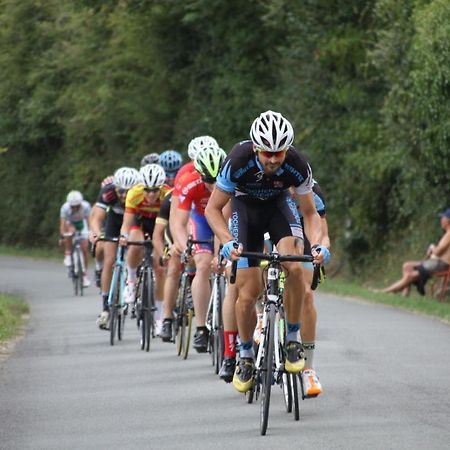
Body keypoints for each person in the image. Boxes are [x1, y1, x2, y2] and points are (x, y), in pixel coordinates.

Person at [205, 110, 329, 393]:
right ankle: (246, 355)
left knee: (294, 266)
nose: (273, 159)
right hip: (244, 210)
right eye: (267, 153)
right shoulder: (237, 160)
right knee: (247, 293)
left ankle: (293, 338)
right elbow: (212, 209)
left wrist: (318, 244)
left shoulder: (297, 164)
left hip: (278, 207)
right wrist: (226, 241)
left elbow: (311, 214)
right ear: (256, 148)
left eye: (279, 153)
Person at [171, 145, 227, 352]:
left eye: (217, 179)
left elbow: (230, 220)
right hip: (201, 220)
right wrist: (184, 245)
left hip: (223, 218)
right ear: (200, 175)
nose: (213, 186)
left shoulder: (231, 179)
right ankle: (201, 328)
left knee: (229, 264)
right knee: (203, 265)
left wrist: (222, 252)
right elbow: (178, 222)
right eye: (208, 181)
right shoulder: (190, 183)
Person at [119, 164, 171, 334]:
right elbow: (127, 222)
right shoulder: (134, 193)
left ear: (161, 187)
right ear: (142, 187)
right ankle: (132, 281)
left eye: (155, 190)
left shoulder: (168, 195)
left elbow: (173, 223)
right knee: (135, 243)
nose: (150, 194)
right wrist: (124, 237)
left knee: (160, 268)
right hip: (140, 224)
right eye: (147, 190)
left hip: (160, 226)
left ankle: (159, 318)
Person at [89, 167, 141, 329]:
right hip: (114, 220)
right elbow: (96, 217)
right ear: (115, 188)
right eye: (121, 192)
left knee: (138, 251)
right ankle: (106, 307)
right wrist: (96, 233)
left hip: (134, 220)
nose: (124, 196)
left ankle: (137, 285)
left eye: (128, 191)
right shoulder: (108, 192)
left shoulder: (140, 193)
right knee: (109, 261)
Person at [377, 208, 450, 296]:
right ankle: (404, 294)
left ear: (448, 220)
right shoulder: (447, 233)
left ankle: (384, 292)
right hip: (436, 262)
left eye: (443, 218)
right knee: (407, 266)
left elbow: (438, 252)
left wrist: (432, 247)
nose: (441, 220)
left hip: (440, 264)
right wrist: (433, 250)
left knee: (410, 276)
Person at [60, 190, 92, 288]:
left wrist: (91, 233)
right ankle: (68, 253)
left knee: (85, 248)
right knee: (69, 233)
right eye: (72, 207)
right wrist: (63, 236)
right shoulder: (65, 208)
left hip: (81, 224)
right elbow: (62, 225)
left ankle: (84, 274)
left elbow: (89, 221)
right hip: (70, 223)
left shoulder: (86, 206)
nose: (74, 208)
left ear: (80, 204)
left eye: (77, 206)